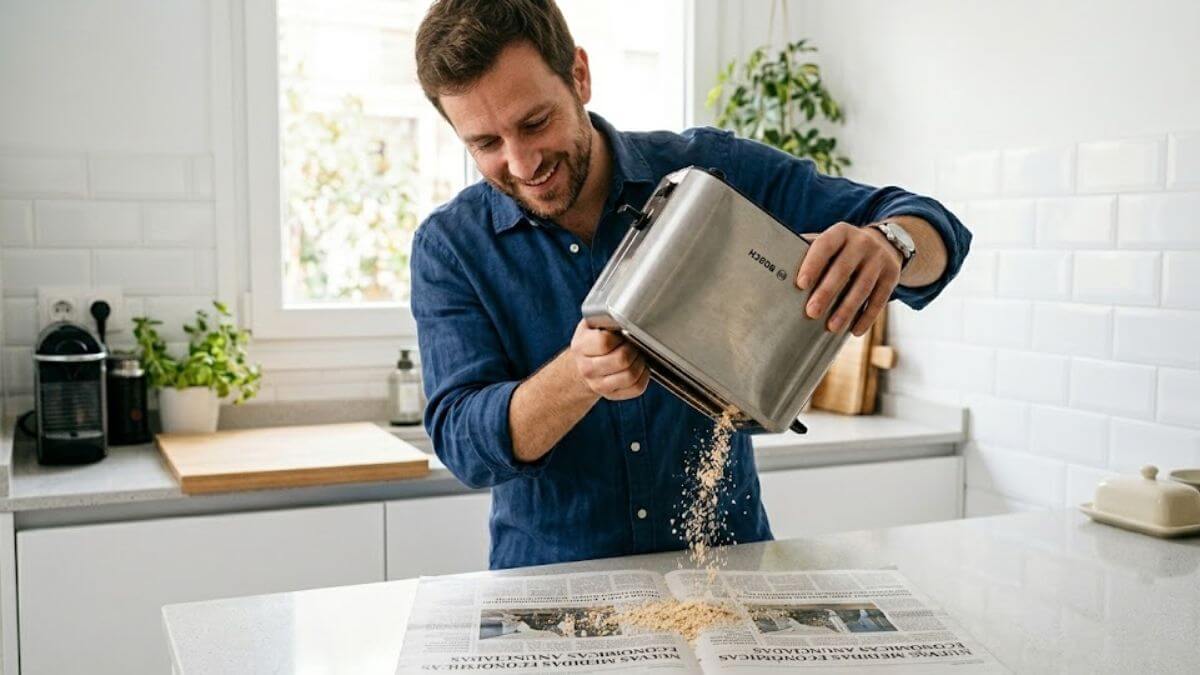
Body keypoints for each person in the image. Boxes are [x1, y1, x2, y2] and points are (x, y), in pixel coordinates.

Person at [411, 0, 971, 570]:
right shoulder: (451, 247)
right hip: (553, 587)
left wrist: (890, 245)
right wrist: (577, 377)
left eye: (535, 122)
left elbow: (936, 230)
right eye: (485, 144)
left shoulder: (710, 172)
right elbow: (463, 445)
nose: (522, 161)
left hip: (730, 574)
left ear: (579, 75)